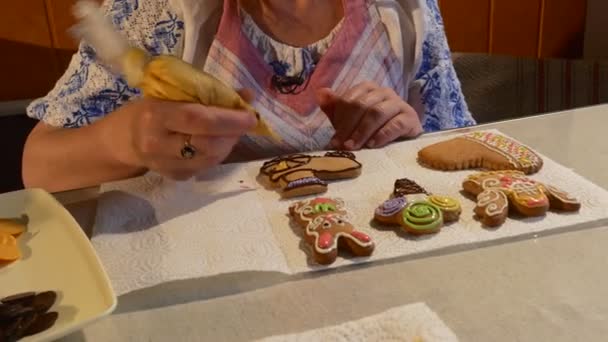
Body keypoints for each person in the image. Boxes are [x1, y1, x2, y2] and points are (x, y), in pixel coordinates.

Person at [23, 0, 475, 192]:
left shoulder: (405, 11)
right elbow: (38, 166)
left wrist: (404, 130)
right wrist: (124, 142)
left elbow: (451, 144)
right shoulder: (157, 11)